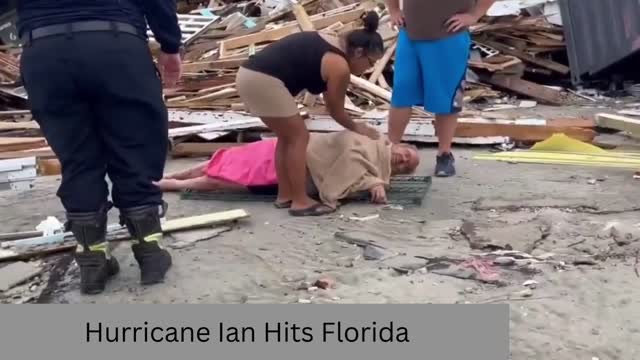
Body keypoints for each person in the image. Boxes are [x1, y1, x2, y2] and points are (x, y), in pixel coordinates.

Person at [17, 0, 183, 295]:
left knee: (77, 157)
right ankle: (150, 253)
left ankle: (92, 262)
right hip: (116, 46)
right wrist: (170, 45)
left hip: (44, 51)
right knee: (137, 146)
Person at [235, 11, 385, 217]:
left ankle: (285, 195)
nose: (370, 68)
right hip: (263, 80)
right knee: (299, 137)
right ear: (359, 52)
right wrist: (359, 128)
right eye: (370, 62)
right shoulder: (339, 67)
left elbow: (330, 101)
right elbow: (336, 111)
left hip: (249, 75)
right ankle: (300, 201)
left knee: (287, 138)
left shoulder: (334, 43)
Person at [155, 131, 420, 207]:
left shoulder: (379, 177)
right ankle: (173, 175)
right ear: (398, 145)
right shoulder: (371, 140)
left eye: (407, 166)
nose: (403, 160)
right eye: (406, 154)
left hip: (298, 172)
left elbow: (348, 177)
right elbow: (348, 149)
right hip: (297, 146)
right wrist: (371, 181)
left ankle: (171, 185)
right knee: (228, 159)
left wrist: (372, 182)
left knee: (227, 178)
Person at [385, 0, 496, 177]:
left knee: (446, 98)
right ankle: (389, 150)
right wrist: (394, 10)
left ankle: (444, 154)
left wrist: (474, 15)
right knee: (402, 92)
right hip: (411, 34)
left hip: (448, 37)